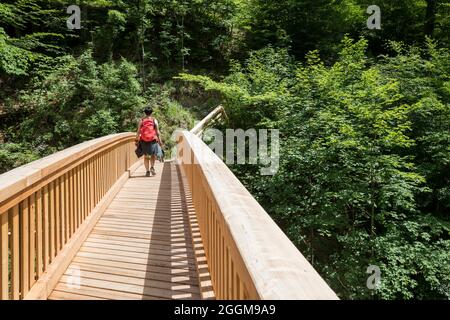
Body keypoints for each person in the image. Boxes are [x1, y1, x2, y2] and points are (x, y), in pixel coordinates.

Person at [135, 107, 163, 177]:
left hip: (144, 140)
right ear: (151, 112)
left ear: (145, 112)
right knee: (153, 154)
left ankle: (147, 171)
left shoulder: (142, 120)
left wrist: (136, 139)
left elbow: (138, 131)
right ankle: (152, 167)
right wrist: (160, 140)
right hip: (153, 139)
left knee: (146, 156)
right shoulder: (154, 120)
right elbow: (157, 131)